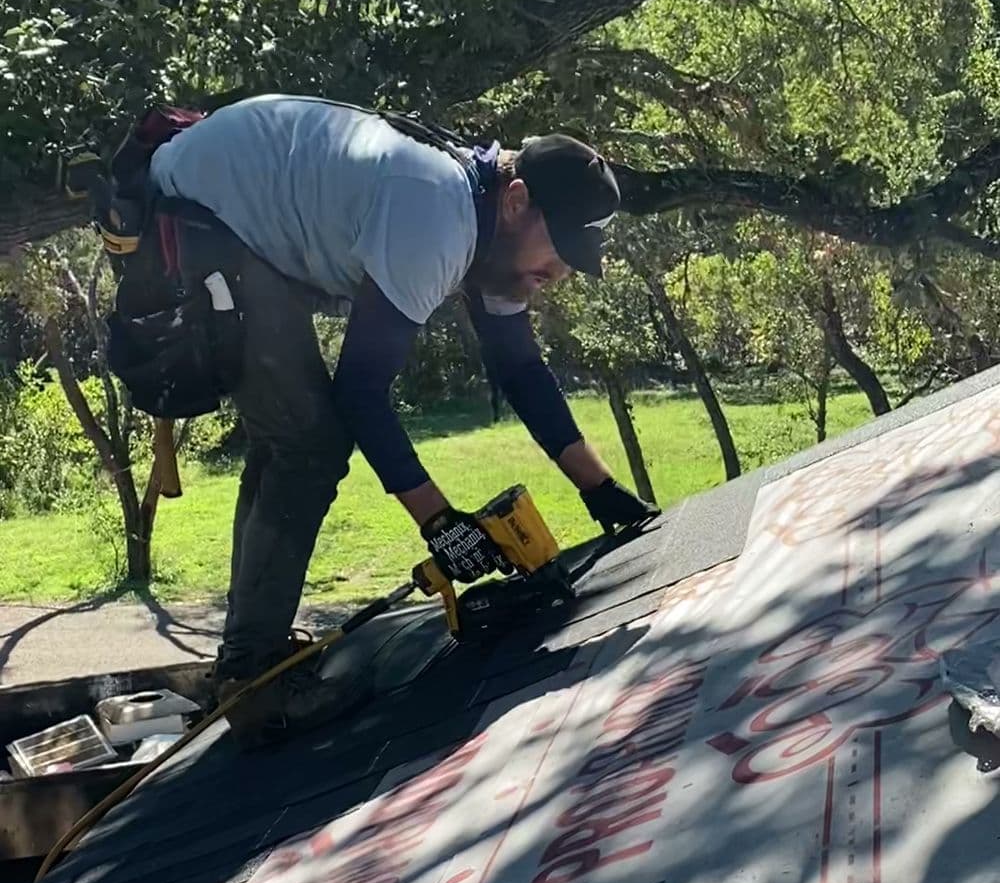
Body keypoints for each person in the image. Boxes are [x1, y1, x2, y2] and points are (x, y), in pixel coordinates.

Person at [149, 95, 656, 741]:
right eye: (561, 250)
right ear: (519, 200)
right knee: (307, 447)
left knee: (291, 444)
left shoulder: (486, 218)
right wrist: (441, 525)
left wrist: (600, 488)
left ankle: (249, 656)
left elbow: (519, 367)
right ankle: (255, 683)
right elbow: (361, 391)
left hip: (233, 207)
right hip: (202, 213)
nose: (558, 274)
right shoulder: (436, 214)